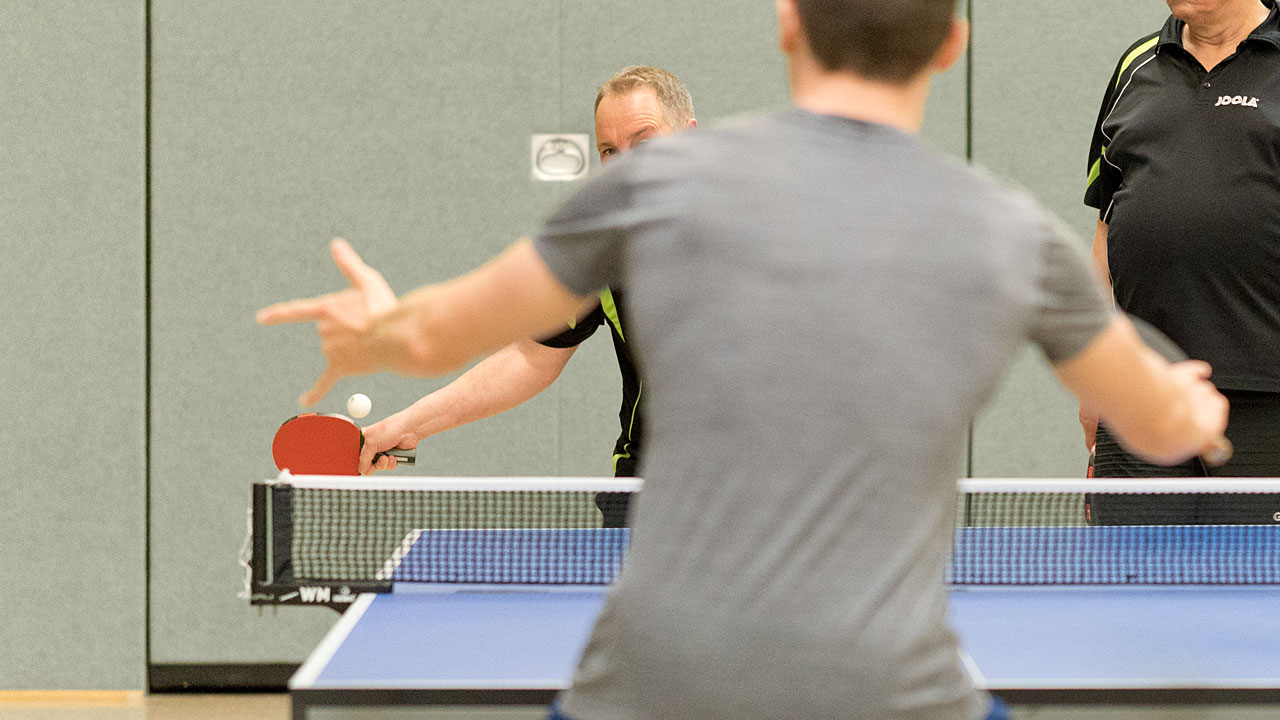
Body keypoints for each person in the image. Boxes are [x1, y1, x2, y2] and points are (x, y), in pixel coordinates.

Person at [258, 0, 1229, 717]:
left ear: (785, 25)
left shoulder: (643, 199)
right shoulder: (1008, 235)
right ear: (951, 44)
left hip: (650, 688)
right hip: (892, 692)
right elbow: (1153, 424)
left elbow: (438, 331)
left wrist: (381, 331)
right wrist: (1189, 404)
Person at [359, 66, 697, 528]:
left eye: (644, 143)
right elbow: (532, 357)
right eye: (609, 152)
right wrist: (406, 426)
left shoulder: (754, 228)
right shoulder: (603, 250)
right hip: (646, 493)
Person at [1082, 0, 1280, 524]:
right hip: (1143, 389)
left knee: (1258, 574)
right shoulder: (1137, 65)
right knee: (1130, 570)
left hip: (1269, 393)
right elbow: (1107, 223)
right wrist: (1099, 376)